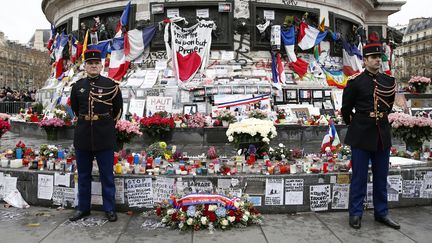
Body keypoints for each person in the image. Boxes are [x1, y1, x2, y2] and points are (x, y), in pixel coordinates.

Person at [341, 32, 400, 230]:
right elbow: (346, 109)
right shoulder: (355, 81)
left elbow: (388, 107)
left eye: (379, 58)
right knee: (359, 176)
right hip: (361, 133)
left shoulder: (388, 81)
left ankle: (381, 213)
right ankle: (355, 213)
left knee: (381, 176)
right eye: (373, 58)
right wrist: (358, 124)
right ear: (364, 60)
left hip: (382, 134)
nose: (377, 61)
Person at [69, 50, 123, 222]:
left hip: (104, 135)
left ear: (101, 65)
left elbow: (117, 110)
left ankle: (109, 209)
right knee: (83, 175)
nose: (93, 66)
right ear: (85, 66)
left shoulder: (111, 85)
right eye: (89, 63)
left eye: (96, 63)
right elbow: (76, 110)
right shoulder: (77, 86)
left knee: (107, 175)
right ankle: (83, 208)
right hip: (83, 135)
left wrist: (105, 125)